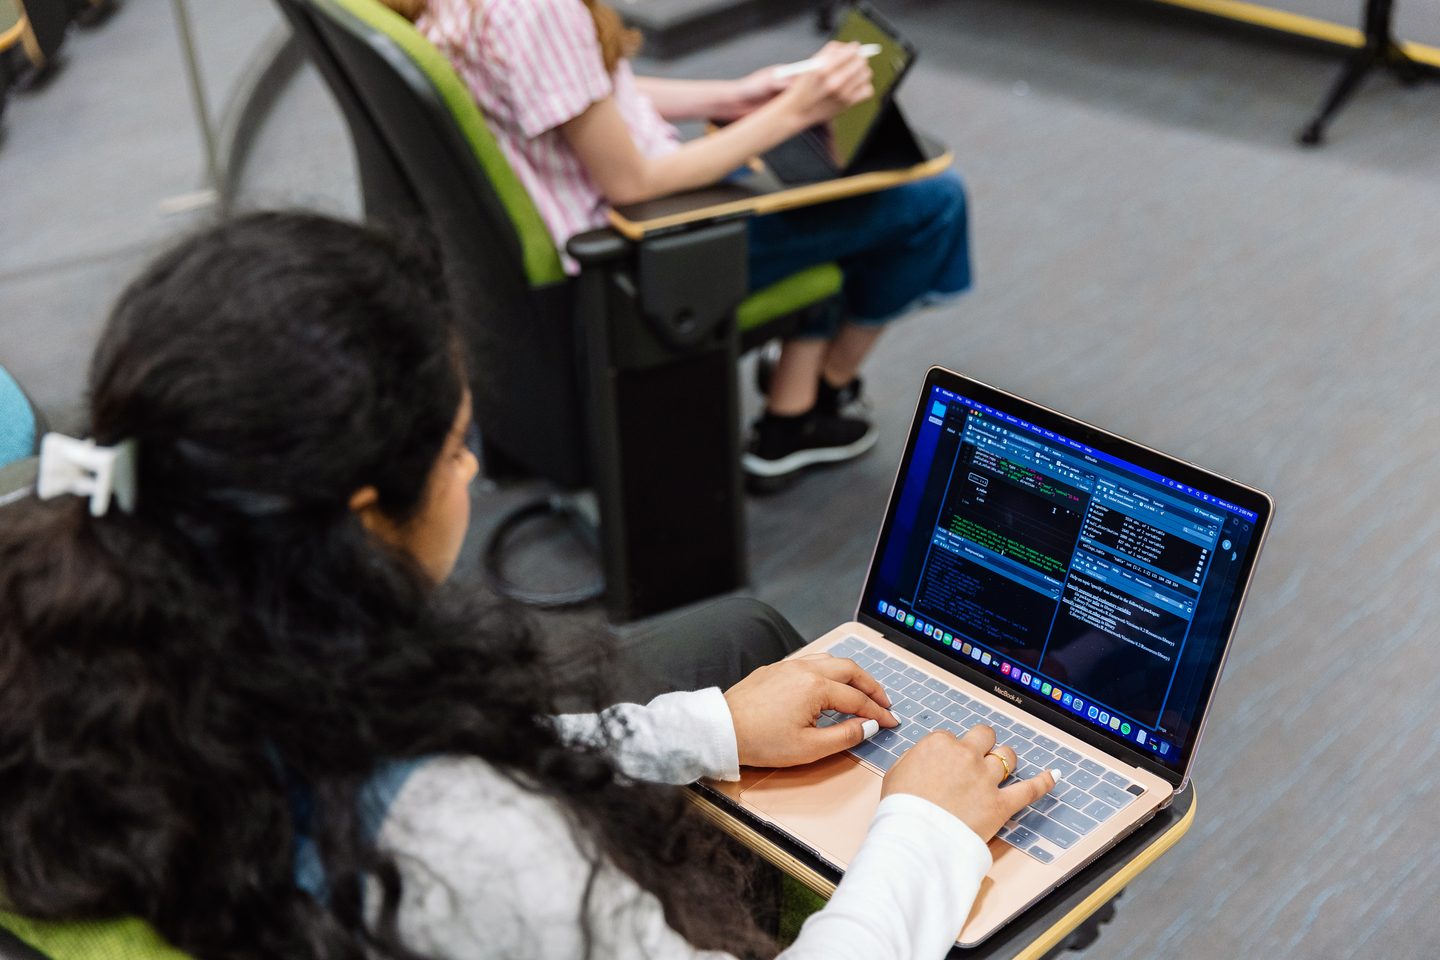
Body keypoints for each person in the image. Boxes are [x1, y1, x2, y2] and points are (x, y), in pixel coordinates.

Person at [0, 213, 1049, 960]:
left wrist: (706, 729)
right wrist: (924, 834)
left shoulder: (84, 613)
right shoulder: (469, 854)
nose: (474, 476)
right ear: (365, 516)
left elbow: (433, 744)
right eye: (459, 450)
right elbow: (447, 797)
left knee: (741, 641)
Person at [385, 0, 972, 490]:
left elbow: (579, 93)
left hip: (606, 235)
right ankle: (825, 391)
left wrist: (735, 96)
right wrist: (796, 110)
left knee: (826, 187)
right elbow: (632, 182)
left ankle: (792, 416)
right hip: (645, 249)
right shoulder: (537, 8)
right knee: (932, 200)